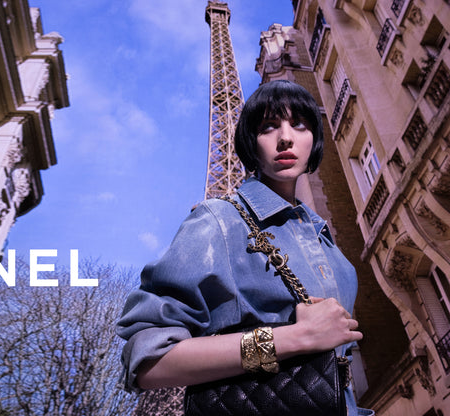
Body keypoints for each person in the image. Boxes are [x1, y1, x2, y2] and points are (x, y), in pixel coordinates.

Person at [116, 80, 373, 415]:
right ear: (251, 143)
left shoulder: (324, 239)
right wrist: (294, 338)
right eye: (268, 126)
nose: (285, 137)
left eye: (299, 125)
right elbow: (150, 362)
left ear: (315, 140)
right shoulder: (221, 221)